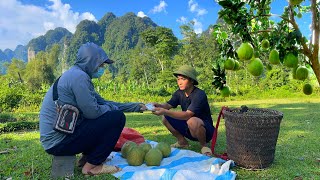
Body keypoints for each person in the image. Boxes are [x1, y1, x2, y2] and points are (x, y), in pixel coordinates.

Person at [39, 42, 146, 176]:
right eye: (100, 64)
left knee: (109, 115)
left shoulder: (75, 75)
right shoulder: (80, 77)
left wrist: (136, 106)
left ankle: (86, 159)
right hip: (59, 142)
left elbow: (104, 102)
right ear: (90, 62)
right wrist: (109, 108)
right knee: (117, 118)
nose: (102, 68)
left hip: (59, 138)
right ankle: (91, 166)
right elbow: (92, 112)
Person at [151, 65, 214, 156]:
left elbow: (188, 115)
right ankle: (182, 141)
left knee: (192, 120)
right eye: (178, 79)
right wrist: (159, 105)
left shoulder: (199, 94)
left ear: (191, 80)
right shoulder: (179, 93)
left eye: (183, 79)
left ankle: (203, 145)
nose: (179, 82)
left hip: (205, 129)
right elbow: (169, 105)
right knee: (165, 118)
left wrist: (164, 111)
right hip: (188, 126)